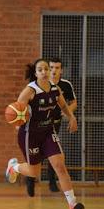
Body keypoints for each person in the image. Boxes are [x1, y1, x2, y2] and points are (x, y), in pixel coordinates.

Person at [5, 58, 84, 209]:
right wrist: (18, 122)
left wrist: (72, 117)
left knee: (60, 166)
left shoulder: (55, 89)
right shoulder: (29, 90)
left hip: (48, 131)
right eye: (40, 70)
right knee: (34, 173)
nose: (44, 72)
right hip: (30, 134)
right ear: (35, 73)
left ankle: (72, 205)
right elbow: (17, 110)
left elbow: (63, 105)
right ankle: (14, 167)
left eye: (46, 69)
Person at [25, 58, 77, 196]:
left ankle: (52, 182)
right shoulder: (34, 87)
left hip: (53, 123)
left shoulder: (64, 85)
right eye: (51, 67)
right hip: (36, 126)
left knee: (54, 155)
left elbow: (72, 103)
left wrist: (69, 114)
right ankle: (30, 178)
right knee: (38, 156)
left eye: (57, 68)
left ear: (61, 70)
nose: (54, 70)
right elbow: (23, 107)